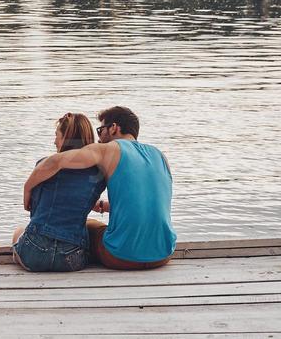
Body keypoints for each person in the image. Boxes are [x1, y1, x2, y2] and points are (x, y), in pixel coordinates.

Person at [23, 105, 176, 270]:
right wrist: (104, 207)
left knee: (88, 225)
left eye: (100, 130)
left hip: (121, 257)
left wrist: (27, 188)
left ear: (113, 128)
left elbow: (56, 161)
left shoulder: (107, 150)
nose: (99, 138)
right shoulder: (160, 156)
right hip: (163, 254)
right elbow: (150, 201)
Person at [12, 112, 104, 272]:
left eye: (57, 135)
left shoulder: (43, 166)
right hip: (72, 257)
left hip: (34, 252)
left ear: (65, 138)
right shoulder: (99, 174)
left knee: (19, 231)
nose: (54, 141)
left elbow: (34, 210)